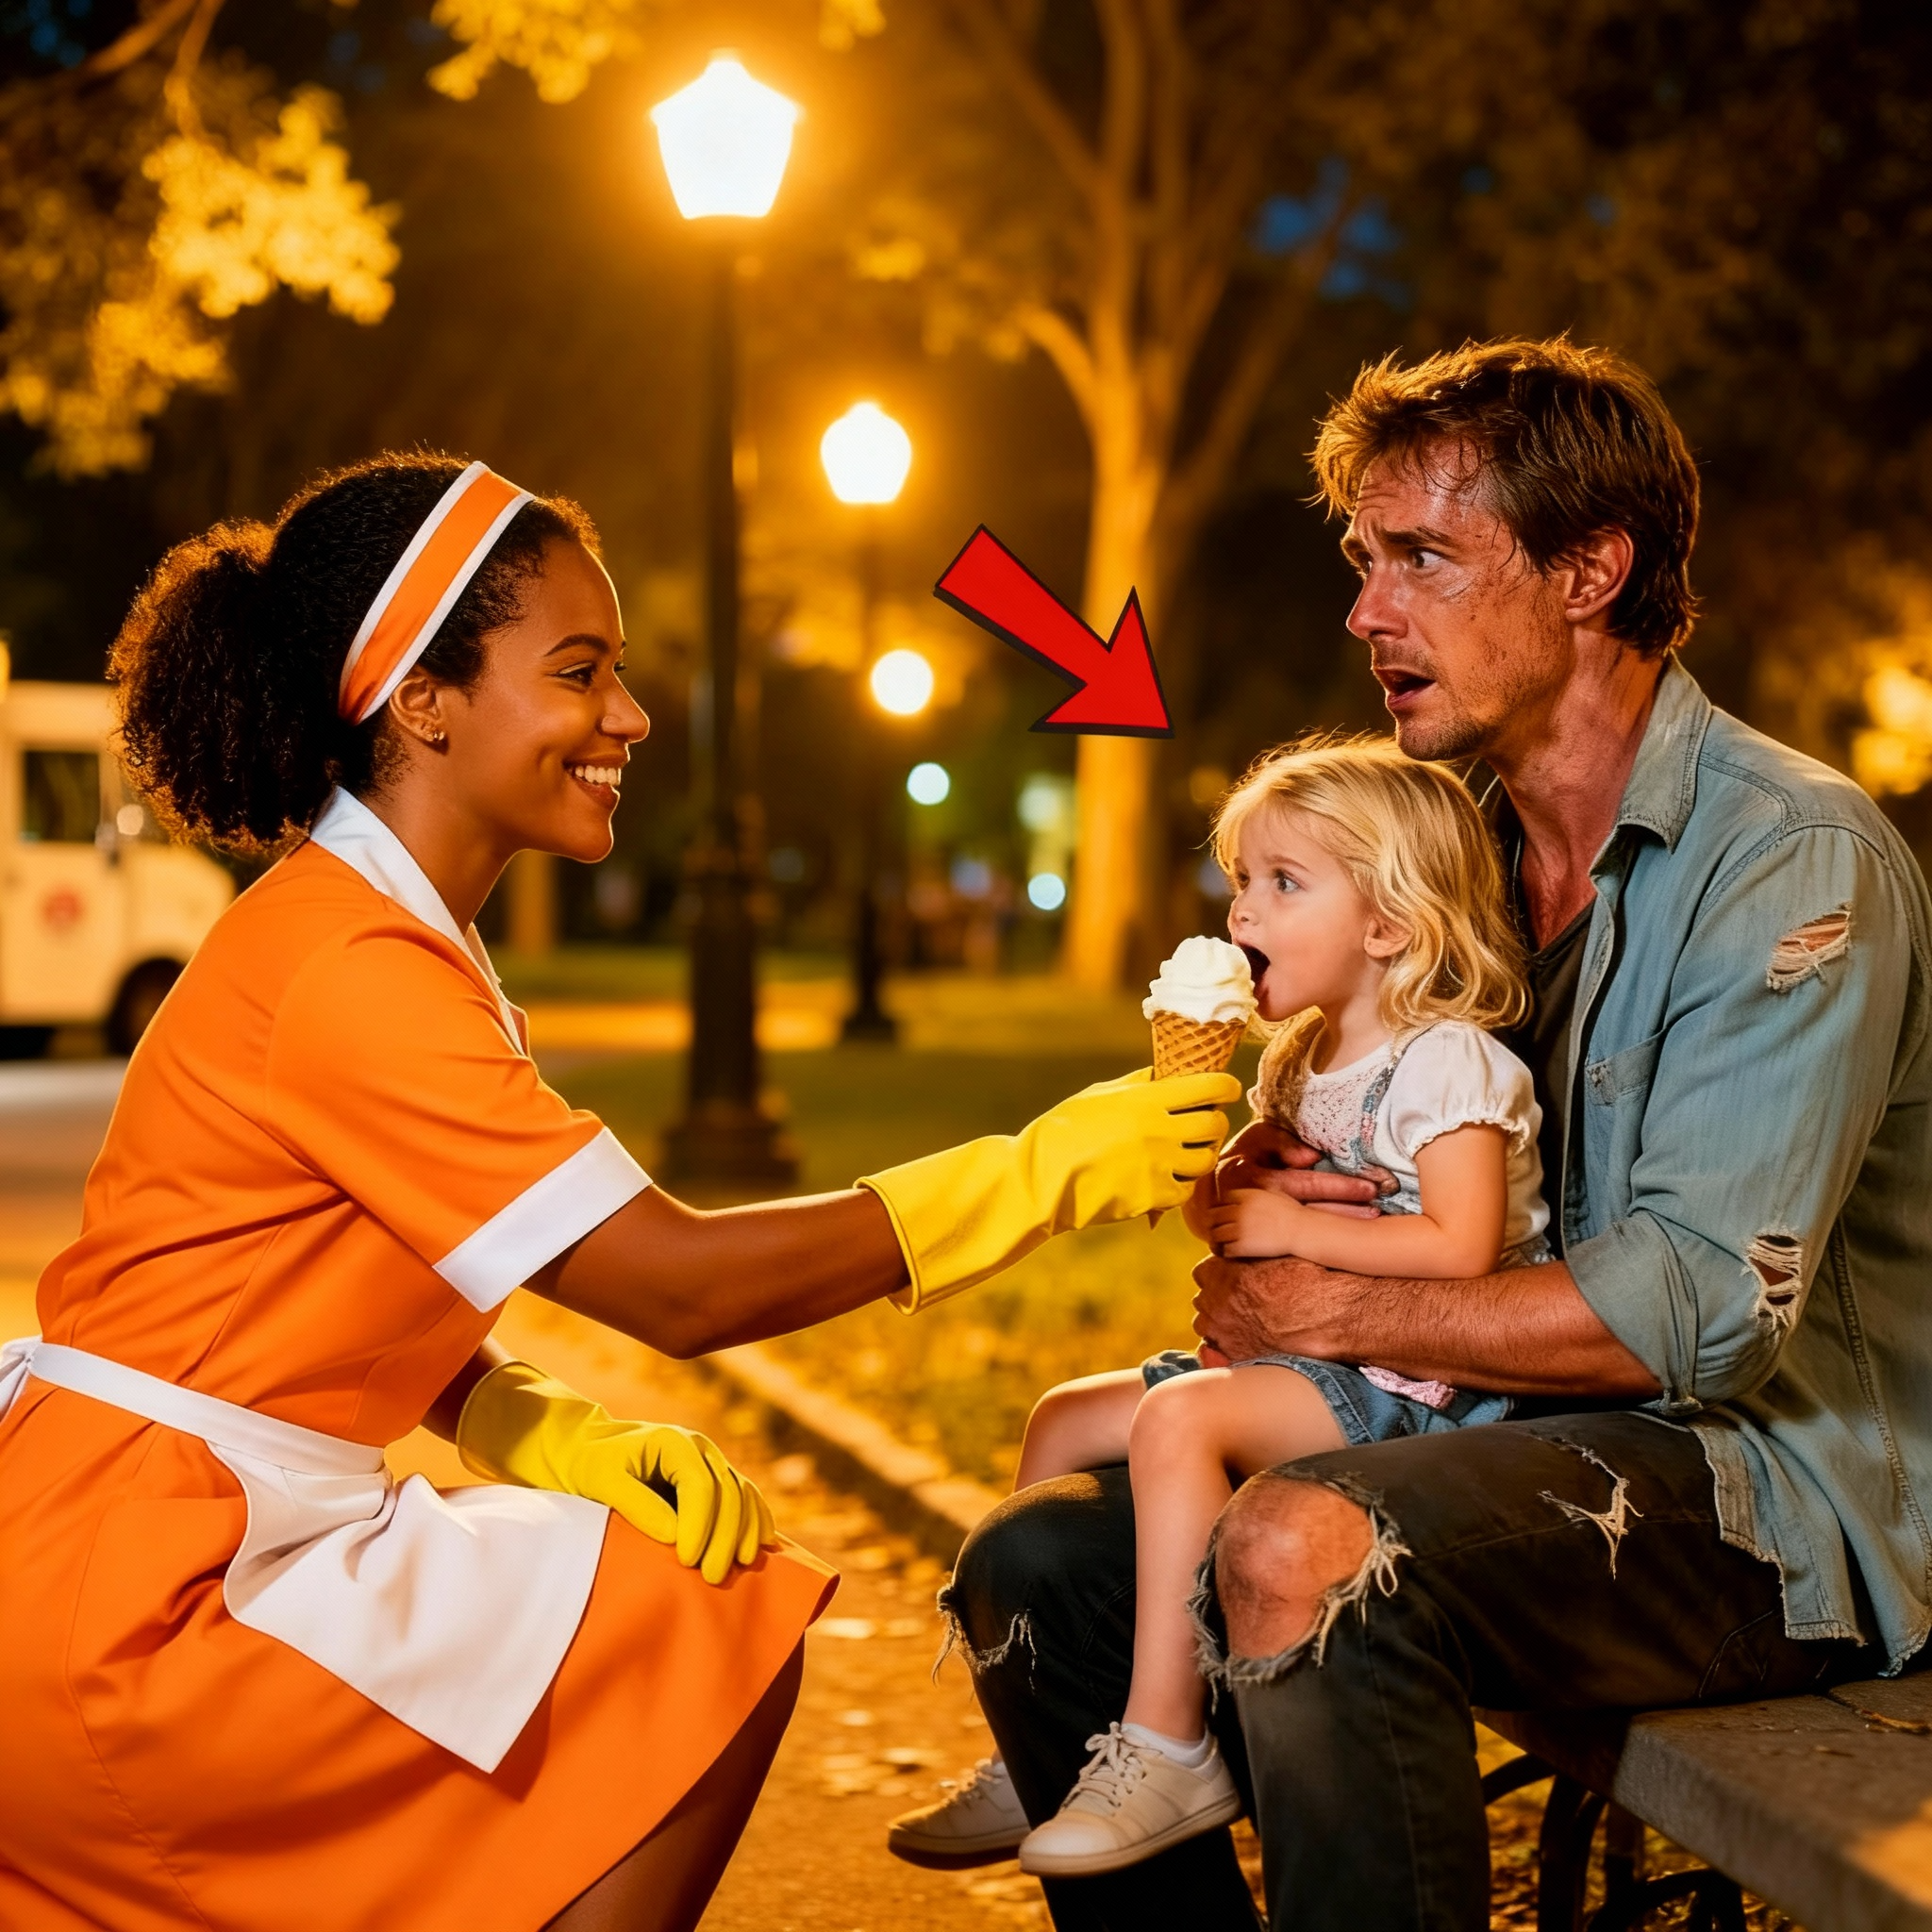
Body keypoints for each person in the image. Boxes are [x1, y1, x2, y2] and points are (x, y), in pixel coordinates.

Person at [0, 453, 1241, 1932]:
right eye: (579, 672)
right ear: (424, 701)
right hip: (144, 1588)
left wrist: (522, 1416)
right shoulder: (351, 964)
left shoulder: (379, 936)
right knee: (700, 1615)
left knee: (649, 1608)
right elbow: (679, 1284)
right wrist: (1043, 1170)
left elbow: (289, 1285)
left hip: (158, 1534)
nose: (631, 717)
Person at [939, 338, 1932, 1932]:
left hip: (1769, 1494)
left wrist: (1331, 1304)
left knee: (1303, 1545)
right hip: (1500, 1429)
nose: (1365, 611)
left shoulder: (1786, 859)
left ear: (1588, 572)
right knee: (1038, 1570)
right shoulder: (1440, 857)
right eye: (1361, 561)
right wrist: (1281, 1174)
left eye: (1418, 557)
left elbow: (1694, 1316)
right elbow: (1404, 1154)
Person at [904, 741, 1555, 1880]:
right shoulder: (1299, 1055)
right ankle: (1041, 1730)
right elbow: (1226, 1221)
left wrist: (1295, 1226)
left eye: (1282, 882)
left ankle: (1169, 1743)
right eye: (1240, 881)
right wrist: (1210, 1171)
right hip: (1316, 1369)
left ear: (1386, 923)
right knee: (1061, 1417)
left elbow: (1459, 1246)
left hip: (1424, 1394)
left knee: (1178, 1418)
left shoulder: (1448, 1064)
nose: (1241, 909)